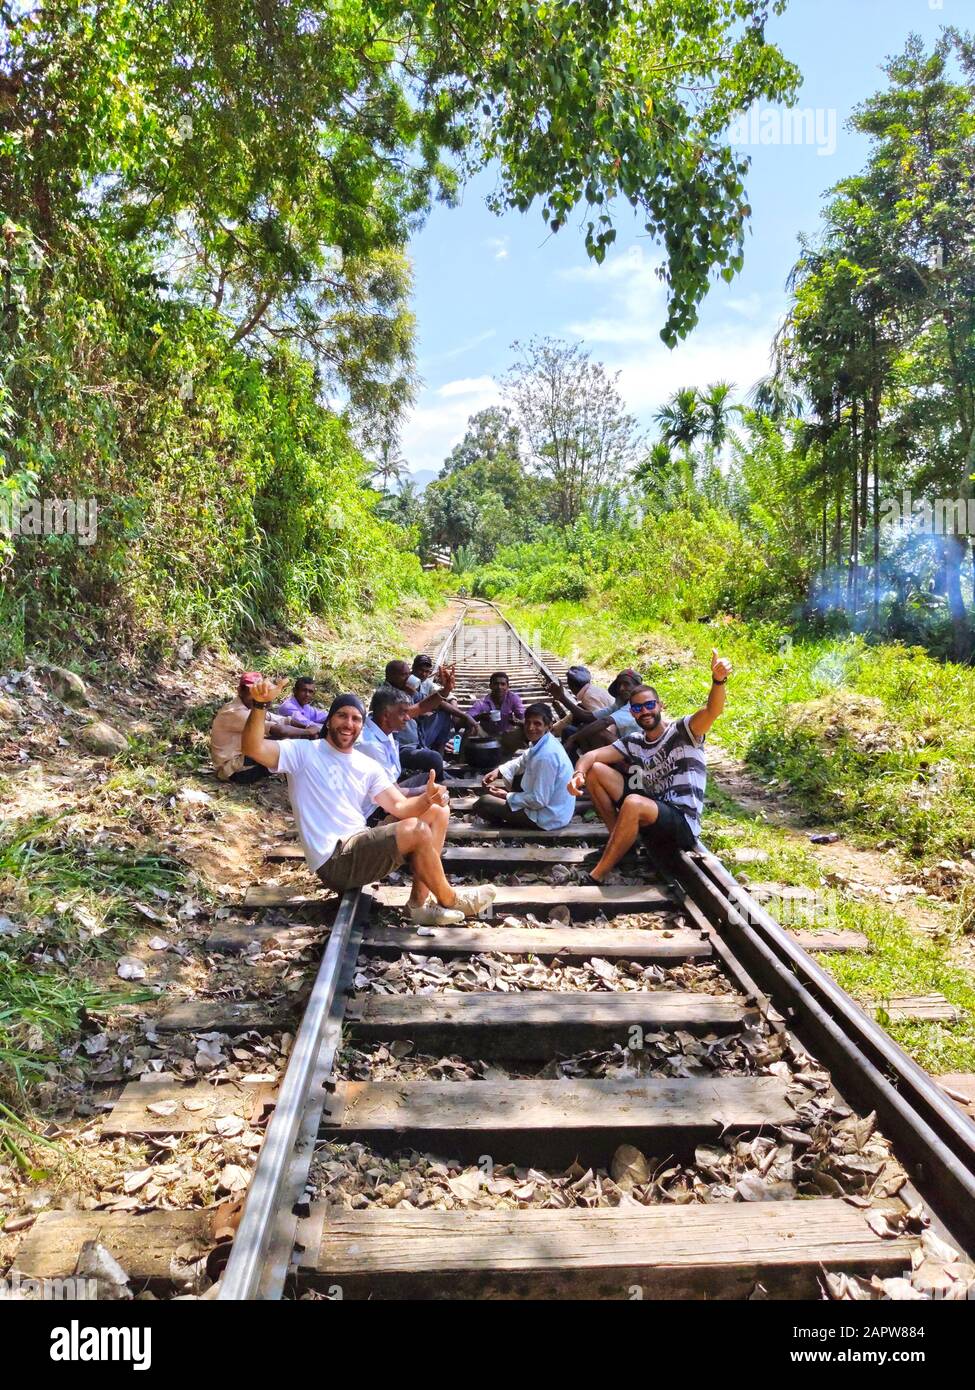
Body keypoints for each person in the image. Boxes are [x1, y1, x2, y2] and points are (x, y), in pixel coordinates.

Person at [241, 683, 496, 925]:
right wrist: (260, 706)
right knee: (416, 830)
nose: (348, 724)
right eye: (342, 716)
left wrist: (427, 798)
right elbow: (253, 748)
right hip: (334, 860)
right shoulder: (303, 752)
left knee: (437, 811)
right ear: (329, 721)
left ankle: (419, 905)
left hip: (360, 844)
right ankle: (451, 899)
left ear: (362, 726)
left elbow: (401, 807)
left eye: (356, 719)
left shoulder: (367, 766)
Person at [567, 649, 733, 881]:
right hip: (655, 812)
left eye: (649, 705)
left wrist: (718, 680)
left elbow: (712, 711)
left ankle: (597, 875)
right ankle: (622, 842)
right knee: (595, 771)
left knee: (634, 802)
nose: (644, 711)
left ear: (660, 705)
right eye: (637, 708)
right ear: (632, 714)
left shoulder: (683, 731)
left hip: (681, 822)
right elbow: (592, 756)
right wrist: (578, 773)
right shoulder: (635, 742)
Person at [473, 703, 576, 830]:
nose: (531, 728)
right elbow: (523, 760)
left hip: (549, 818)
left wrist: (507, 796)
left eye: (537, 724)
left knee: (483, 803)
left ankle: (512, 823)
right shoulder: (545, 741)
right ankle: (512, 815)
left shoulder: (546, 756)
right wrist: (498, 771)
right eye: (528, 722)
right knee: (516, 777)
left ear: (548, 726)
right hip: (557, 811)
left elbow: (539, 800)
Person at [210, 672, 317, 784]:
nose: (255, 695)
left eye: (258, 691)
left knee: (284, 744)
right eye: (251, 691)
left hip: (240, 762)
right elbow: (279, 730)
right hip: (232, 770)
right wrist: (308, 731)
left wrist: (308, 726)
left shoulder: (250, 705)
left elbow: (282, 719)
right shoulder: (235, 712)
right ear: (240, 690)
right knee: (285, 743)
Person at [374, 659, 449, 780]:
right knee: (433, 759)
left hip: (418, 741)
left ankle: (439, 770)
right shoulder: (385, 694)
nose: (408, 678)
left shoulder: (406, 690)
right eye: (404, 674)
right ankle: (439, 782)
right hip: (400, 748)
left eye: (409, 674)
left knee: (443, 717)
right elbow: (420, 708)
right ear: (391, 676)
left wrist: (445, 691)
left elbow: (426, 702)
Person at [563, 668, 644, 759]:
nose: (621, 688)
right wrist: (562, 698)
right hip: (625, 745)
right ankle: (588, 759)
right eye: (619, 685)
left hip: (636, 753)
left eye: (626, 684)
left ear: (637, 687)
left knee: (599, 732)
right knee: (583, 727)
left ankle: (592, 760)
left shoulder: (635, 705)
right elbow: (589, 717)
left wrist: (573, 738)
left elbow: (605, 721)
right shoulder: (620, 703)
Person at [407, 654, 479, 749]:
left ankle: (440, 750)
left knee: (446, 712)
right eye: (421, 670)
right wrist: (464, 715)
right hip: (410, 731)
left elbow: (448, 696)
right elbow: (440, 703)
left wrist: (455, 715)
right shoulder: (407, 683)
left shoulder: (426, 684)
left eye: (427, 671)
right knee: (444, 713)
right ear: (413, 669)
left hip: (420, 726)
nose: (424, 674)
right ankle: (437, 751)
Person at [545, 665, 614, 743]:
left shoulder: (589, 697)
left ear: (572, 686)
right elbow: (575, 714)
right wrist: (554, 729)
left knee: (568, 731)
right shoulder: (593, 690)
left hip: (612, 737)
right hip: (613, 732)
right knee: (579, 711)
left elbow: (598, 722)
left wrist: (575, 737)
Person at [467, 671, 526, 754]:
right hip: (486, 737)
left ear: (507, 686)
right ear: (490, 686)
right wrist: (480, 717)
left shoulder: (513, 698)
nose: (499, 687)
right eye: (496, 684)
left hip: (507, 736)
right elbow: (468, 717)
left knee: (527, 727)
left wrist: (517, 722)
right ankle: (464, 760)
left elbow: (524, 718)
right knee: (472, 727)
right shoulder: (482, 702)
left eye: (503, 684)